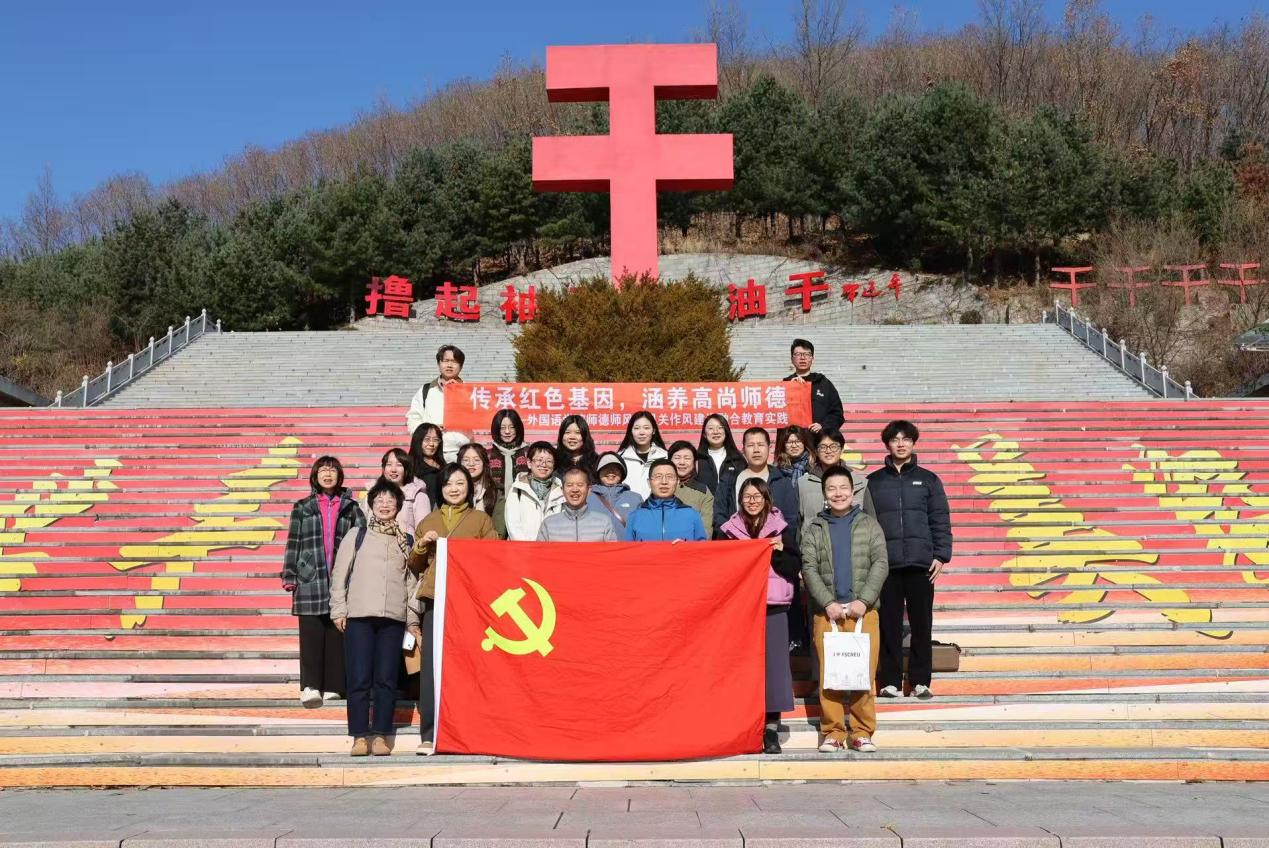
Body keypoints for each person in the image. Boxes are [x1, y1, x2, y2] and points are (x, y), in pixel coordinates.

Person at [407, 464, 499, 754]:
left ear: (469, 487)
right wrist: (422, 545)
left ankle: (473, 730)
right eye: (448, 483)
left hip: (469, 602)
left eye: (460, 483)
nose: (454, 488)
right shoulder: (429, 520)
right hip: (436, 600)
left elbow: (494, 556)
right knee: (432, 668)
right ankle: (430, 734)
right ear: (441, 488)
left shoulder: (480, 520)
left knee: (470, 665)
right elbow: (414, 565)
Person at [802, 465, 889, 754]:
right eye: (831, 489)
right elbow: (809, 567)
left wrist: (864, 600)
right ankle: (833, 732)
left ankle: (862, 732)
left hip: (864, 612)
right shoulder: (814, 527)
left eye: (843, 488)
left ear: (853, 491)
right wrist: (827, 603)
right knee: (830, 675)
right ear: (824, 494)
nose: (838, 493)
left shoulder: (869, 525)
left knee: (864, 673)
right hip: (827, 614)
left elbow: (880, 563)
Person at [866, 420, 952, 701]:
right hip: (886, 565)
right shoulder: (874, 482)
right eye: (895, 439)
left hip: (920, 564)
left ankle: (920, 682)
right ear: (887, 444)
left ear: (914, 443)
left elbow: (939, 518)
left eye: (906, 439)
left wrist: (941, 555)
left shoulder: (928, 480)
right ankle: (890, 681)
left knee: (921, 625)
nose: (900, 444)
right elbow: (867, 523)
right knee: (888, 625)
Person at [330, 478, 416, 757]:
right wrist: (338, 610)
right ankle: (359, 736)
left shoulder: (406, 541)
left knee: (386, 679)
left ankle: (380, 734)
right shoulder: (357, 535)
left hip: (393, 618)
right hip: (359, 617)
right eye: (379, 499)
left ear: (398, 506)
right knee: (358, 679)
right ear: (371, 504)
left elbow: (411, 583)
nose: (385, 504)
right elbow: (339, 576)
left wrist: (411, 619)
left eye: (390, 500)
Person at [717, 478, 798, 754]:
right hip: (739, 609)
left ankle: (771, 728)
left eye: (757, 496)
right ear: (740, 500)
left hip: (773, 606)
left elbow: (793, 567)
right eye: (747, 496)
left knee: (774, 669)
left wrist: (777, 553)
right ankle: (741, 724)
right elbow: (718, 567)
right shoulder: (727, 531)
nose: (752, 501)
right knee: (740, 667)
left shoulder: (782, 529)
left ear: (766, 499)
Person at [281, 456, 365, 708]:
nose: (328, 475)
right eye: (323, 471)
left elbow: (362, 542)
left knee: (336, 632)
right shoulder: (302, 506)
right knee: (311, 633)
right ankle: (310, 685)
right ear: (315, 476)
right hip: (310, 577)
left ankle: (334, 685)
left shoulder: (351, 508)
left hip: (341, 579)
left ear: (339, 476)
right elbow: (293, 542)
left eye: (332, 470)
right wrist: (290, 574)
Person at [713, 427, 801, 546]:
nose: (756, 450)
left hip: (772, 548)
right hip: (736, 547)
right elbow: (719, 516)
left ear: (769, 448)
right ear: (743, 450)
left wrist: (781, 542)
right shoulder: (729, 481)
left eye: (760, 445)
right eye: (750, 445)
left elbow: (791, 520)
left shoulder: (782, 482)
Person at [798, 430, 873, 535]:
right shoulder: (803, 484)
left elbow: (871, 523)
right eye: (823, 447)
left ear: (842, 450)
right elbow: (798, 524)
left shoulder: (859, 483)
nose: (828, 451)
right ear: (816, 451)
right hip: (813, 543)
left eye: (834, 446)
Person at [405, 344, 468, 461]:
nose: (449, 365)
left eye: (454, 361)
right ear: (439, 364)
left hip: (460, 453)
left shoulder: (469, 392)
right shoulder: (426, 390)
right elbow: (413, 418)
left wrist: (459, 391)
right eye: (446, 361)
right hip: (430, 452)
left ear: (461, 366)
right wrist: (428, 432)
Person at [624, 459, 707, 542]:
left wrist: (687, 547)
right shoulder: (635, 517)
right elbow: (627, 548)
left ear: (677, 481)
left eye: (669, 477)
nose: (664, 482)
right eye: (658, 477)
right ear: (649, 482)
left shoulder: (692, 515)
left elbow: (702, 547)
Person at [504, 441, 566, 541]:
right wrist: (528, 547)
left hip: (551, 547)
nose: (544, 464)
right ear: (529, 463)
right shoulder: (518, 488)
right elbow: (513, 524)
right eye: (539, 460)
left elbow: (562, 524)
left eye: (549, 461)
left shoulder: (560, 490)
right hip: (522, 548)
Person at [538, 466, 618, 541]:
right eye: (569, 485)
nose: (575, 489)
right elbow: (539, 551)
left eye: (580, 485)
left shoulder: (604, 522)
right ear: (562, 490)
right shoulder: (548, 524)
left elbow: (613, 551)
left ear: (589, 490)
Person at [360, 448, 429, 534]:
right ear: (383, 468)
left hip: (405, 542)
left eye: (399, 465)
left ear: (406, 469)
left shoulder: (418, 496)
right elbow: (361, 523)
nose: (393, 470)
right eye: (389, 465)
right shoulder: (373, 493)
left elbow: (424, 531)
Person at [784, 338, 844, 436]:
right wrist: (791, 389)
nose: (802, 358)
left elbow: (837, 414)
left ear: (812, 359)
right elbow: (779, 415)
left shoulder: (824, 384)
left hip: (819, 439)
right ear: (792, 359)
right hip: (794, 440)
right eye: (798, 354)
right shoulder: (785, 384)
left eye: (807, 354)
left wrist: (823, 425)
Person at [457, 442, 506, 538]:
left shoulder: (497, 491)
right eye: (466, 460)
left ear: (484, 463)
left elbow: (499, 530)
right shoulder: (450, 489)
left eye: (476, 460)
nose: (471, 464)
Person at [588, 451, 644, 535]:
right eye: (605, 467)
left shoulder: (635, 498)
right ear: (598, 471)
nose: (611, 471)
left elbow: (643, 528)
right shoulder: (586, 497)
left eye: (616, 468)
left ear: (622, 472)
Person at [667, 440, 715, 538]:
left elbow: (706, 529)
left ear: (694, 463)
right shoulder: (661, 486)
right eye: (677, 458)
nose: (682, 462)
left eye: (687, 458)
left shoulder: (703, 491)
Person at [617, 411, 668, 500]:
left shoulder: (665, 457)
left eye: (646, 428)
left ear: (653, 431)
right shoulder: (620, 458)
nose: (642, 432)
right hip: (628, 506)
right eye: (636, 428)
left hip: (657, 506)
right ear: (631, 431)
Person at [695, 413, 744, 497]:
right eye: (711, 428)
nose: (716, 432)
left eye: (720, 428)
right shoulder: (697, 458)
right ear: (704, 434)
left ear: (726, 432)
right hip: (704, 505)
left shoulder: (737, 458)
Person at [488, 409, 529, 495]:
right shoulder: (488, 455)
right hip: (496, 501)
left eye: (512, 427)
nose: (507, 431)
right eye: (502, 428)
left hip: (523, 499)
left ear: (518, 428)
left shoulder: (527, 453)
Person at [408, 423, 445, 508]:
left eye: (436, 440)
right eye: (427, 439)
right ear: (418, 440)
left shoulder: (443, 465)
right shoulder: (409, 465)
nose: (431, 444)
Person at [555, 415, 599, 481]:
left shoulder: (596, 461)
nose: (572, 437)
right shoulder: (554, 460)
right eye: (567, 432)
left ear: (585, 436)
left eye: (578, 433)